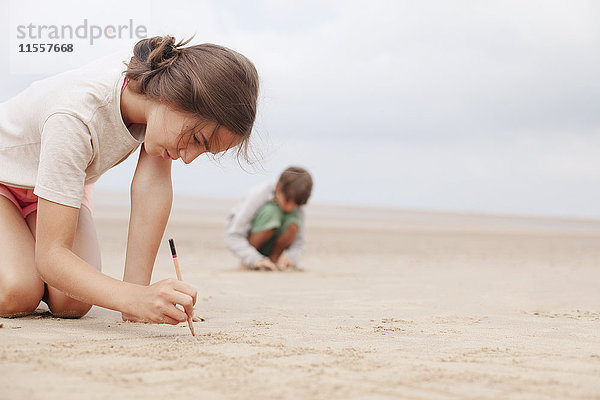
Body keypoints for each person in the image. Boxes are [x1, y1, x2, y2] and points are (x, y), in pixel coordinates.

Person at [0, 36, 259, 325]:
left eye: (205, 150)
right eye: (197, 139)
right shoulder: (74, 116)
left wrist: (136, 299)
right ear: (173, 97)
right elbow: (50, 257)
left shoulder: (160, 89)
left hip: (57, 184)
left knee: (72, 301)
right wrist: (134, 298)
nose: (189, 158)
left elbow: (152, 187)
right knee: (18, 292)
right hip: (4, 178)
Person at [225, 167, 313, 271]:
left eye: (295, 206)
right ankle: (252, 263)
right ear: (277, 187)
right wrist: (253, 259)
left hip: (274, 249)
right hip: (250, 248)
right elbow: (233, 235)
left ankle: (274, 262)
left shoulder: (297, 208)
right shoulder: (259, 194)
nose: (289, 208)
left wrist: (290, 257)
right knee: (271, 212)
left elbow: (299, 243)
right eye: (286, 201)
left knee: (294, 218)